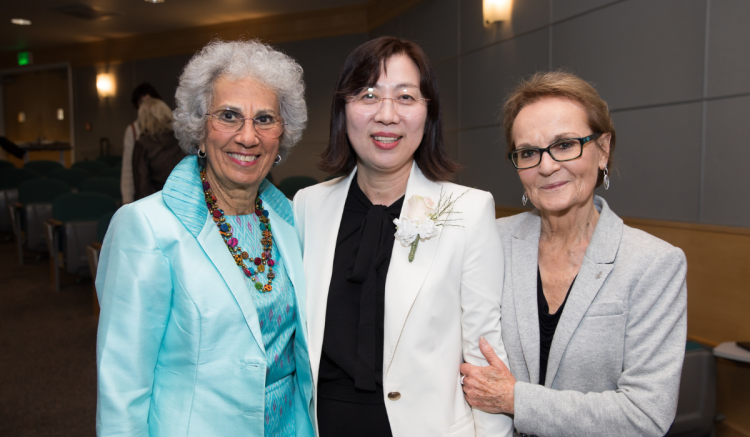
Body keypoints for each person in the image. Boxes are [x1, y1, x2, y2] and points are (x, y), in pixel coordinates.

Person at [293, 37, 514, 437]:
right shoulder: (308, 206)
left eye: (406, 97)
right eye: (368, 95)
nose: (387, 115)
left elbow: (484, 356)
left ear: (428, 113)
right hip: (322, 424)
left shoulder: (469, 210)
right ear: (344, 110)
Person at [96, 40, 314, 437]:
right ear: (199, 129)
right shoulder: (145, 228)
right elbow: (122, 387)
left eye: (265, 119)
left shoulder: (290, 222)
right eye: (229, 115)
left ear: (281, 136)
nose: (248, 137)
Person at [460, 71, 688, 437]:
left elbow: (646, 415)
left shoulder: (653, 263)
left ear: (604, 149)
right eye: (529, 152)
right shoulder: (490, 241)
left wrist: (515, 399)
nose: (547, 166)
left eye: (565, 144)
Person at [132, 98, 185, 200]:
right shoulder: (180, 138)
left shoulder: (143, 144)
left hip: (156, 202)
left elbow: (141, 185)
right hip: (182, 199)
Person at [121, 82, 161, 204]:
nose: (146, 106)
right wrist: (127, 200)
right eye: (141, 102)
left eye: (149, 101)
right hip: (144, 191)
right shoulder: (132, 130)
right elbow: (128, 168)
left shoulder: (168, 126)